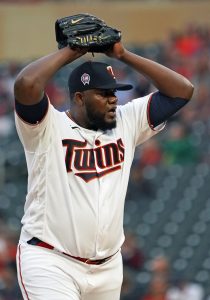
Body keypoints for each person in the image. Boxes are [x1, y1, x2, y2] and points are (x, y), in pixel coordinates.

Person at [13, 23, 194, 300]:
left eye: (113, 92)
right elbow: (26, 85)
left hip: (108, 267)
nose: (112, 100)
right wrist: (72, 51)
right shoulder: (46, 127)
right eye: (103, 93)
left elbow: (182, 91)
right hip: (50, 261)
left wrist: (123, 55)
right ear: (79, 98)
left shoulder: (126, 121)